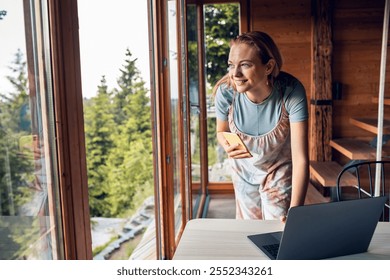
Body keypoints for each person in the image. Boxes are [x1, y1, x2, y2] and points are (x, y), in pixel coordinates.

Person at [213, 31, 309, 221]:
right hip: (243, 171)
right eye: (231, 65)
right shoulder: (225, 93)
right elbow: (221, 131)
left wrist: (295, 212)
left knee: (277, 229)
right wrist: (226, 143)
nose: (235, 74)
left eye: (245, 65)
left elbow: (301, 160)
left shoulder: (291, 92)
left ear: (268, 67)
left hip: (278, 170)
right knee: (250, 230)